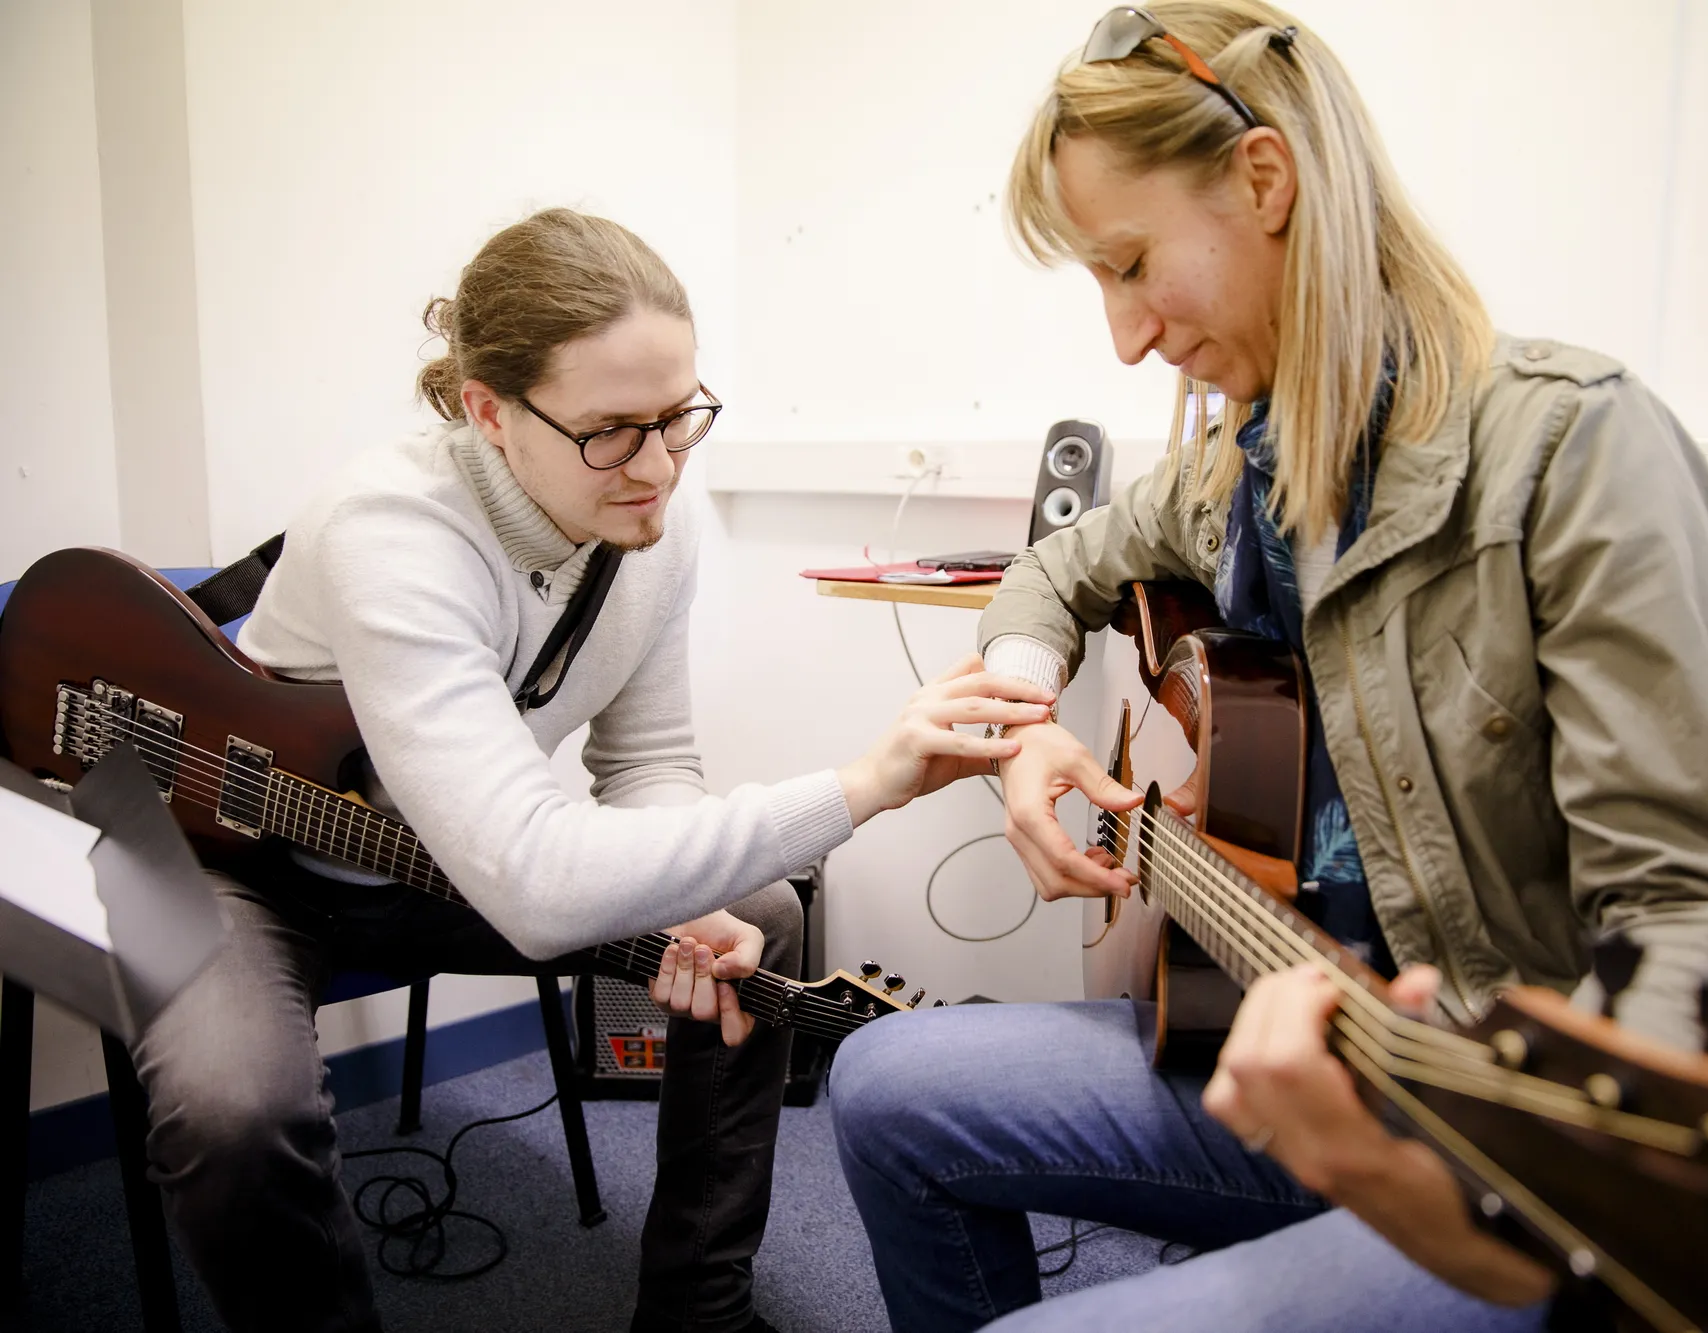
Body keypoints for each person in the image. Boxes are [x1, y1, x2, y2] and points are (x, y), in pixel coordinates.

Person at [826, 5, 1708, 1330]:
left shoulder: (1570, 449)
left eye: (1133, 263)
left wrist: (1494, 1171)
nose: (1125, 339)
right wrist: (1031, 714)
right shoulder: (1231, 477)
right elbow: (1058, 566)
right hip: (1326, 1065)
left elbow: (1693, 919)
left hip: (1553, 1156)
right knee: (877, 1083)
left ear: (1265, 182)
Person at [129, 208, 1051, 1333]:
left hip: (434, 863)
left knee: (754, 912)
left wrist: (695, 903)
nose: (658, 465)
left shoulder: (653, 512)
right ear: (488, 410)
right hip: (249, 868)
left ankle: (694, 1311)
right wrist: (863, 785)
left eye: (679, 416)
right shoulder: (390, 530)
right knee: (232, 1114)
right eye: (612, 429)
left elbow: (648, 761)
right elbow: (535, 881)